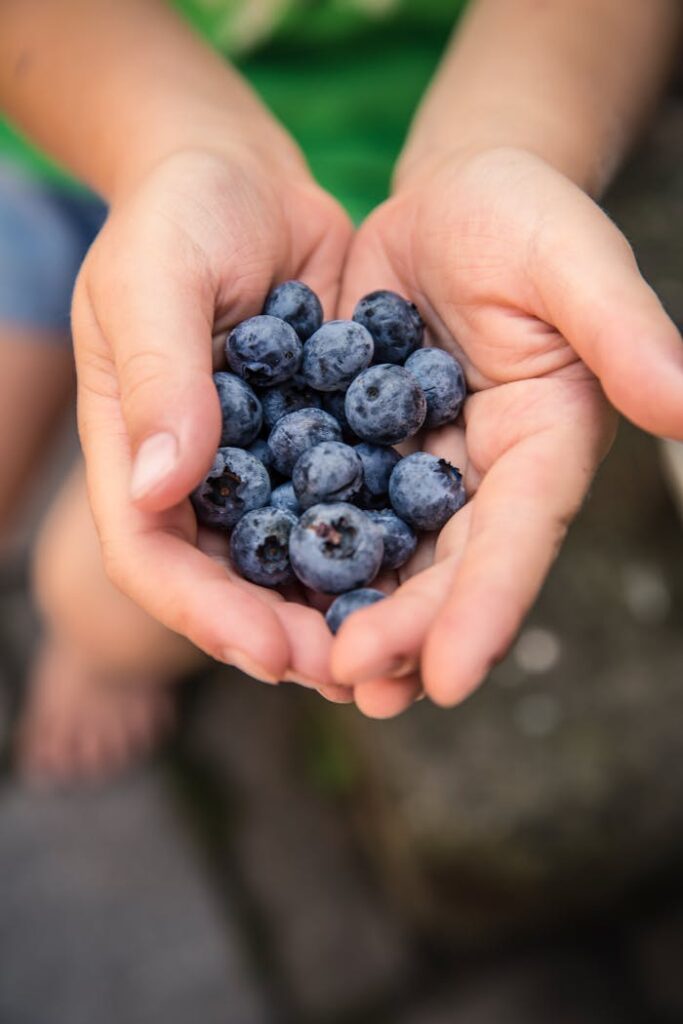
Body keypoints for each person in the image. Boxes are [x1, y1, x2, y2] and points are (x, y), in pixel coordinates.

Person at [0, 0, 681, 780]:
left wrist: (505, 145)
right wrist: (177, 149)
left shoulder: (353, 407)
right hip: (65, 128)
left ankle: (100, 659)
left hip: (377, 193)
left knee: (103, 602)